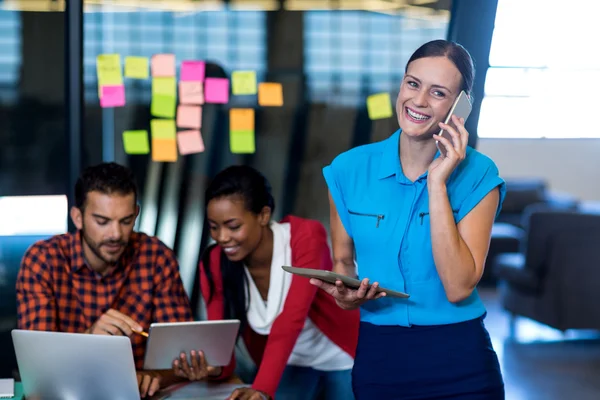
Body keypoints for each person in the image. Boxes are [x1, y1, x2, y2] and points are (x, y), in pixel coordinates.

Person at [311, 39, 506, 399]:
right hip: (380, 355)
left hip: (460, 358)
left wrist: (437, 182)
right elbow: (343, 261)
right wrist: (347, 296)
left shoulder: (480, 174)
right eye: (412, 84)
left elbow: (459, 286)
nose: (418, 101)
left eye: (438, 93)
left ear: (459, 106)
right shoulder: (348, 169)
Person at [172, 165, 360, 400]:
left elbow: (291, 318)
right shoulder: (214, 261)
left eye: (233, 226)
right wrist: (213, 366)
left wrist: (262, 388)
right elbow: (220, 339)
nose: (222, 237)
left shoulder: (306, 237)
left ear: (263, 215)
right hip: (286, 362)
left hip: (341, 355)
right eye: (213, 227)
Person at [16, 162, 193, 398]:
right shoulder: (43, 260)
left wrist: (153, 377)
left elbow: (179, 354)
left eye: (126, 221)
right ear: (77, 218)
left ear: (137, 214)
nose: (116, 234)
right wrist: (89, 340)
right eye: (102, 221)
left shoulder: (156, 257)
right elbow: (39, 370)